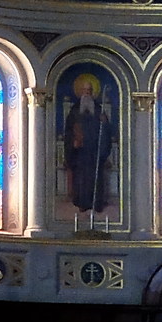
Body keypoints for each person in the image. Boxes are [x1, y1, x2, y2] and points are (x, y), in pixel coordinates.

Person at [59, 67, 115, 214]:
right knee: (82, 179)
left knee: (96, 178)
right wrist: (74, 142)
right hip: (80, 153)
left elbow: (106, 132)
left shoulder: (98, 110)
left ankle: (96, 202)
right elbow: (69, 131)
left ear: (92, 93)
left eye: (89, 91)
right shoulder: (74, 111)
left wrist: (104, 123)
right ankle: (82, 202)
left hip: (95, 152)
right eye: (84, 91)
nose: (87, 94)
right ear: (80, 93)